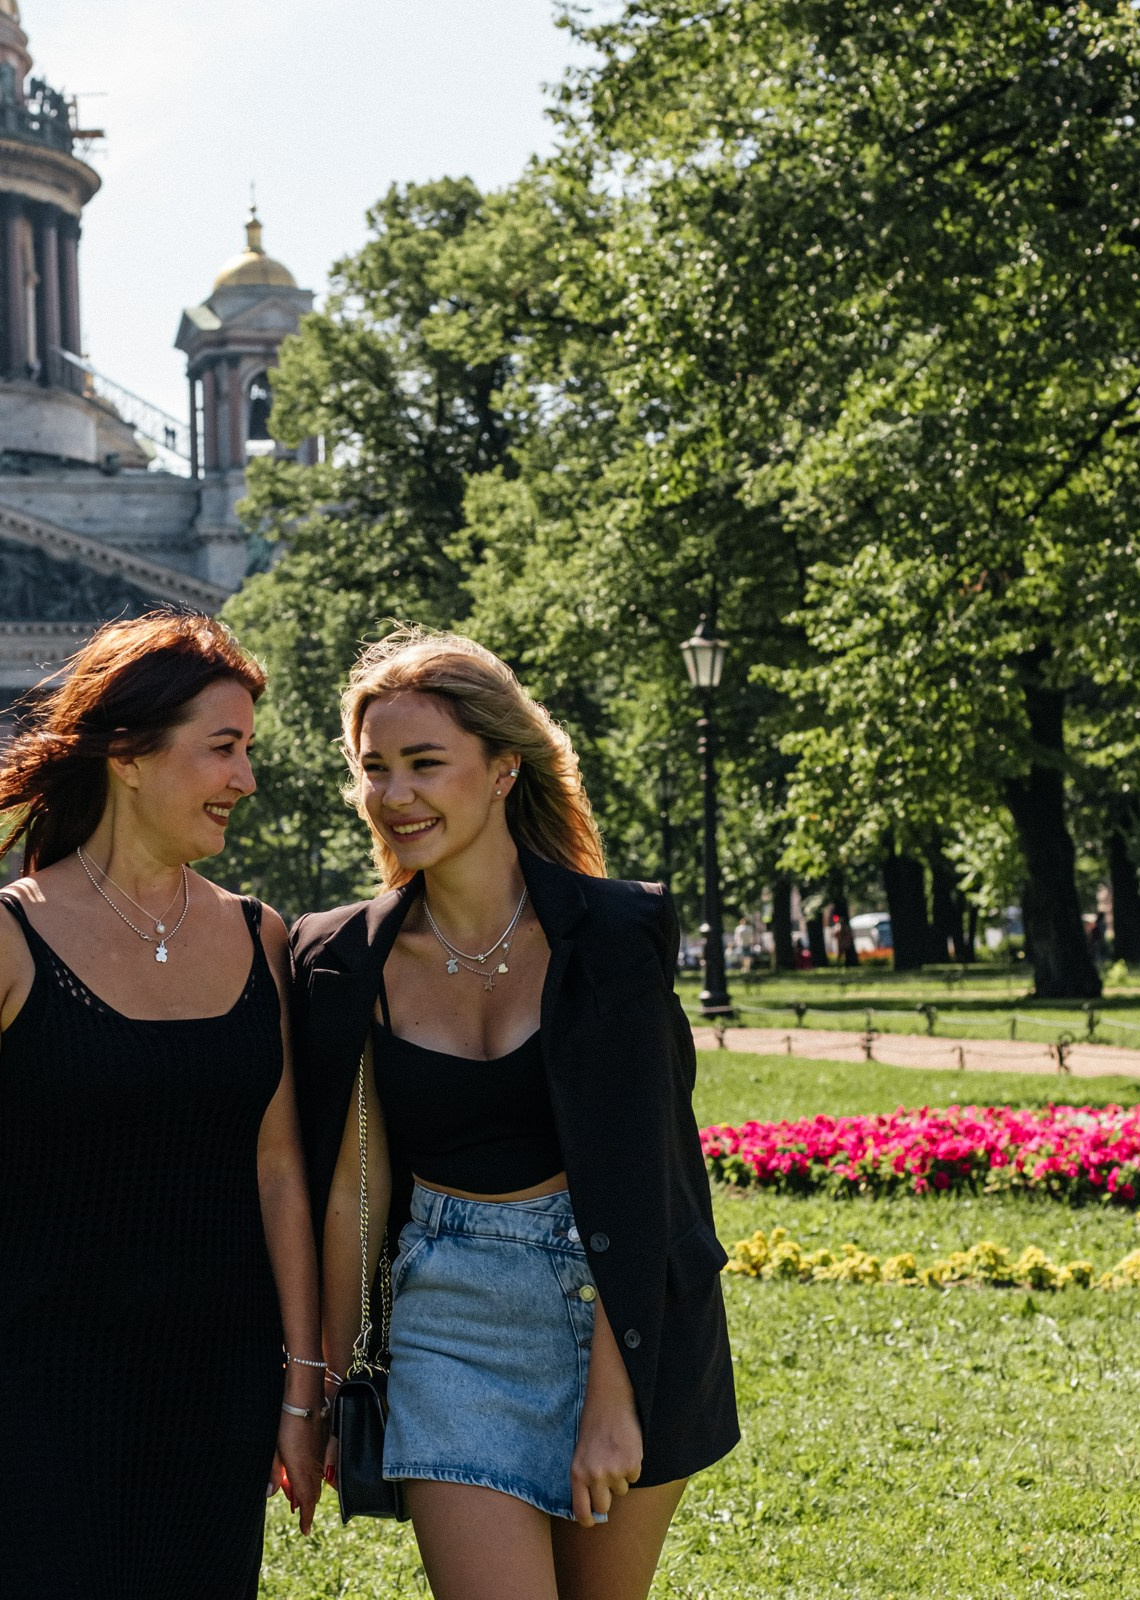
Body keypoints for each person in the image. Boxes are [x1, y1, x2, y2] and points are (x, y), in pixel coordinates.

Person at [292, 629, 738, 1600]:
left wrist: (617, 1404)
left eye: (424, 764)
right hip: (449, 1321)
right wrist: (324, 1389)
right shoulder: (338, 958)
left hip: (621, 1314)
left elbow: (654, 1176)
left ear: (502, 769)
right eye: (374, 769)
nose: (395, 794)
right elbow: (348, 1198)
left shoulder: (613, 935)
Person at [0, 612, 325, 1596]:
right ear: (128, 755)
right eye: (223, 749)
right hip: (36, 1385)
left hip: (219, 1384)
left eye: (247, 750)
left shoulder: (263, 938)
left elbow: (279, 1169)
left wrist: (303, 1382)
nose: (245, 779)